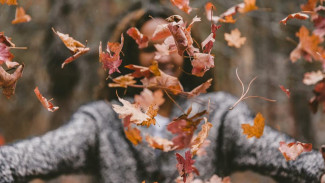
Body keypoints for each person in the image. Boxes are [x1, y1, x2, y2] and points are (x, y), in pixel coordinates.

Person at [0, 2, 325, 183]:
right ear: (129, 61)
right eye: (148, 49)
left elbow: (283, 154)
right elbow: (27, 157)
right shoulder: (102, 122)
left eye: (172, 45)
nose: (162, 57)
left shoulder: (219, 115)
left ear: (187, 53)